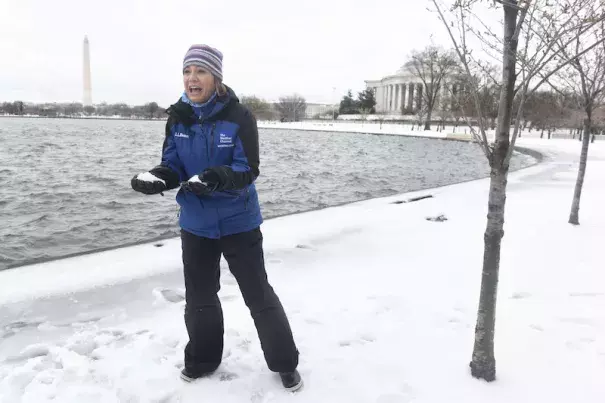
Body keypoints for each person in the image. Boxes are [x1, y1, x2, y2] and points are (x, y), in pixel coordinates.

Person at [130, 44, 302, 392]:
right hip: (196, 225)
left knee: (258, 294)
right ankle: (203, 360)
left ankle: (285, 363)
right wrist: (160, 177)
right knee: (200, 297)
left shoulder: (239, 115)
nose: (192, 78)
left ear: (216, 77)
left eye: (200, 71)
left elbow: (247, 168)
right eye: (187, 71)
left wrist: (215, 177)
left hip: (239, 221)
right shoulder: (177, 115)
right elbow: (174, 163)